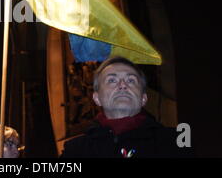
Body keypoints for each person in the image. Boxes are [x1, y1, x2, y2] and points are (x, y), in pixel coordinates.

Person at [60, 56, 194, 158]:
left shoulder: (175, 143)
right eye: (112, 80)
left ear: (143, 98)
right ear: (97, 98)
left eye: (131, 80)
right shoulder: (75, 151)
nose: (123, 85)